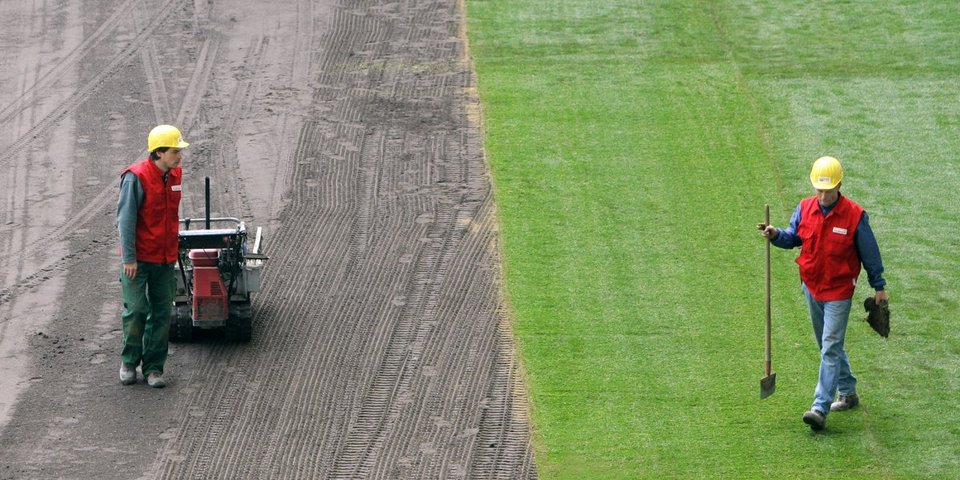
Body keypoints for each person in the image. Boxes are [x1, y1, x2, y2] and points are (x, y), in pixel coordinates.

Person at [757, 156, 889, 431]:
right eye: (819, 189)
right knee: (828, 345)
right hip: (811, 287)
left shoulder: (855, 216)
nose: (823, 195)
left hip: (839, 292)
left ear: (839, 185)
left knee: (829, 346)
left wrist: (879, 287)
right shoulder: (805, 208)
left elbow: (871, 254)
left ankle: (819, 407)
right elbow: (794, 237)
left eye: (828, 190)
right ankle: (848, 392)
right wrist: (775, 234)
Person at [116, 125, 188, 388]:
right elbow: (125, 221)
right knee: (136, 310)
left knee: (161, 314)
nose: (179, 156)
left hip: (165, 259)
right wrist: (129, 259)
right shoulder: (135, 177)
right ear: (159, 152)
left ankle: (154, 368)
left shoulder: (175, 174)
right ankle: (129, 361)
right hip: (137, 261)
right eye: (175, 151)